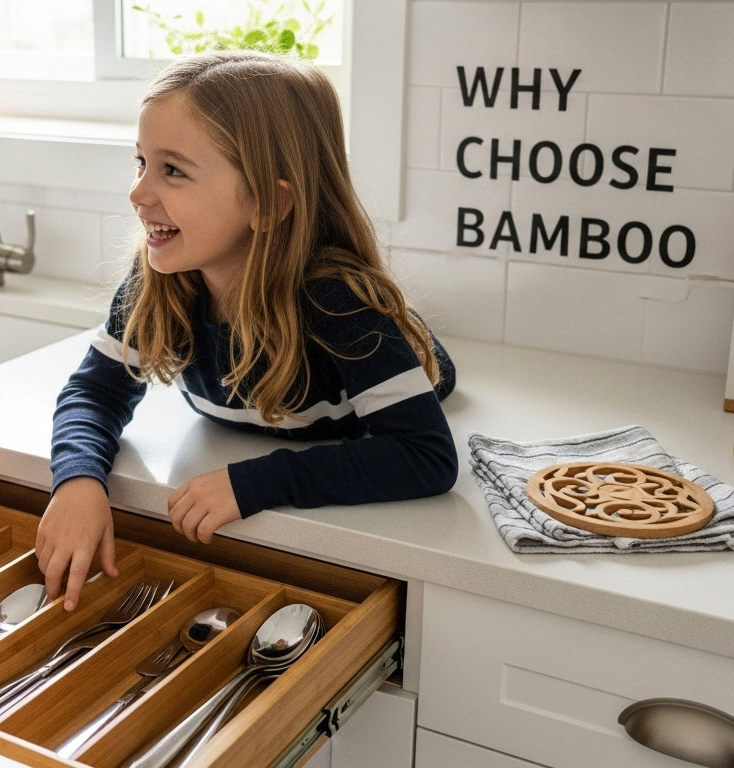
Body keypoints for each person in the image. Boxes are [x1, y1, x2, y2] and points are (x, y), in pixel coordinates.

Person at [37, 50, 459, 609]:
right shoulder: (158, 280)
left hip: (399, 364)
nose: (138, 193)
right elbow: (95, 391)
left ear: (267, 202)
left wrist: (254, 482)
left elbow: (425, 455)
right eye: (140, 162)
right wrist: (77, 480)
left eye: (173, 170)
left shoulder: (341, 306)